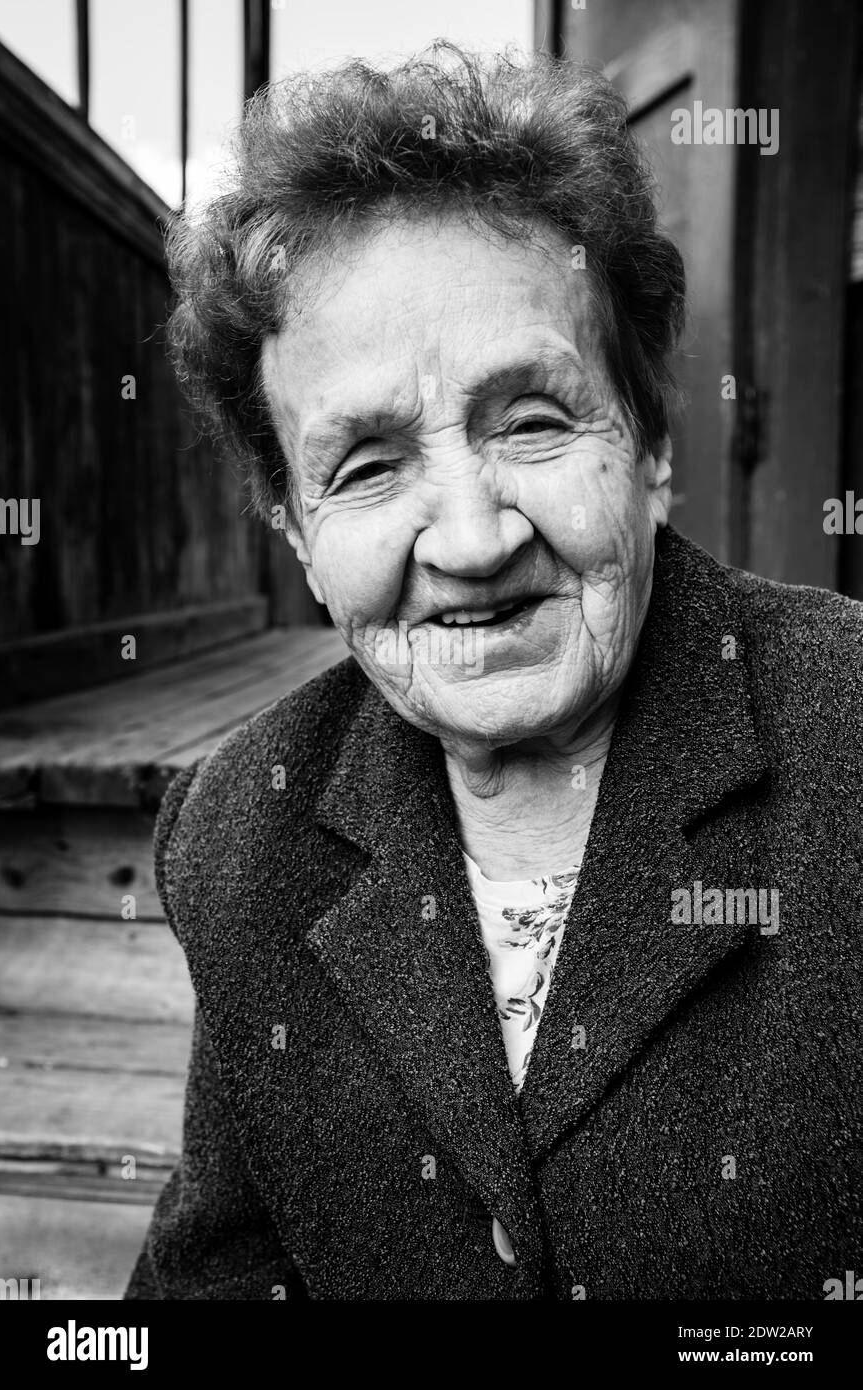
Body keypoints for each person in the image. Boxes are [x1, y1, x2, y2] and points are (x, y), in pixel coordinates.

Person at [125, 43, 862, 1300]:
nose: (470, 540)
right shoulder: (240, 836)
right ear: (299, 535)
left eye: (530, 419)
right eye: (364, 465)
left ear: (646, 443)